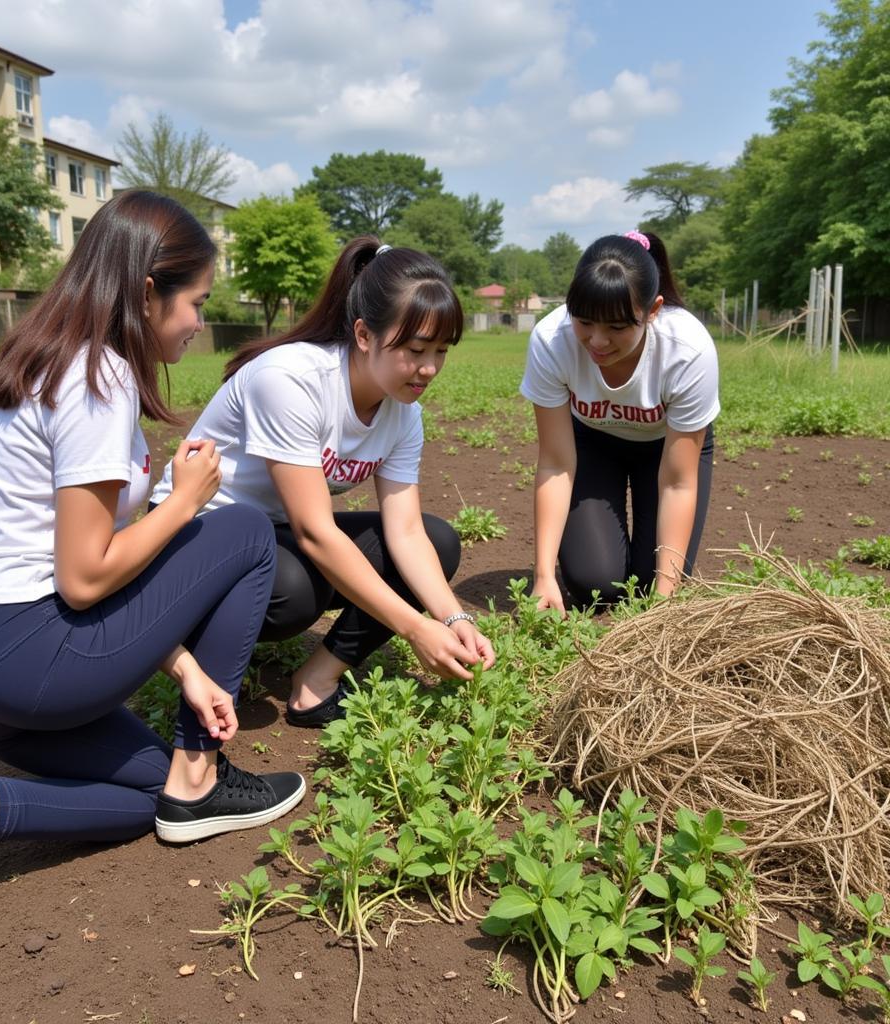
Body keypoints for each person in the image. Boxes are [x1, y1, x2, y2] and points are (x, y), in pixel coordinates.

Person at [0, 191, 304, 974]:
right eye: (196, 301)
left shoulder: (58, 360)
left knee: (151, 798)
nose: (200, 320)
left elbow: (99, 581)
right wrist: (186, 505)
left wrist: (186, 667)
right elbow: (84, 576)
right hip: (29, 654)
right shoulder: (99, 376)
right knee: (239, 531)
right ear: (146, 293)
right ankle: (203, 773)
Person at [150, 237, 495, 727]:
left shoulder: (403, 414)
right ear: (363, 334)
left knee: (437, 543)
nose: (429, 369)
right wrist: (415, 628)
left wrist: (454, 618)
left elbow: (407, 532)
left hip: (274, 532)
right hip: (193, 535)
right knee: (294, 589)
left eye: (441, 351)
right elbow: (315, 532)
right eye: (416, 349)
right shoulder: (291, 380)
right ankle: (196, 651)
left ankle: (317, 681)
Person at [522, 230, 719, 612]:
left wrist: (664, 599)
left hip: (666, 447)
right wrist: (544, 574)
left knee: (652, 585)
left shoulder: (688, 350)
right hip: (592, 443)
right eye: (584, 322)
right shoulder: (551, 340)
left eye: (616, 327)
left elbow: (679, 482)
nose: (597, 341)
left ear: (653, 310)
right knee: (596, 584)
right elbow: (556, 464)